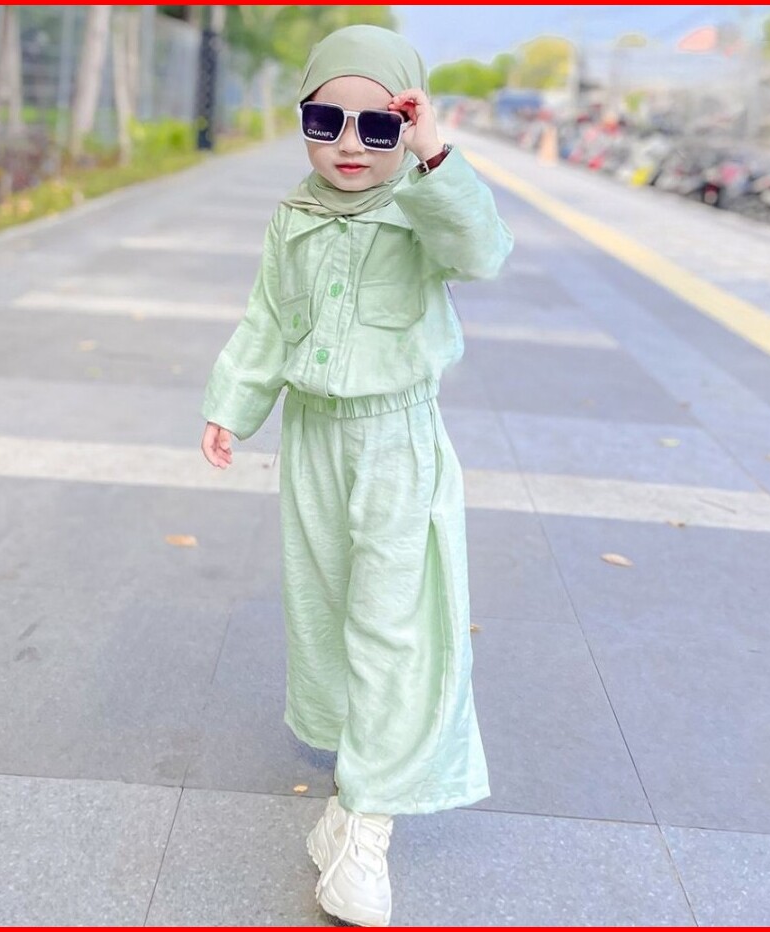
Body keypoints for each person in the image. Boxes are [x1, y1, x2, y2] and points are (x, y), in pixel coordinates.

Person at [200, 24, 513, 927]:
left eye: (378, 126)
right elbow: (268, 317)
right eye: (325, 120)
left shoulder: (422, 205)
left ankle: (367, 825)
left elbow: (483, 252)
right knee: (324, 610)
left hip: (395, 442)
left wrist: (434, 154)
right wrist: (233, 404)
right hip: (313, 439)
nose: (348, 144)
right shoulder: (292, 216)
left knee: (393, 622)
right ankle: (350, 795)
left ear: (405, 128)